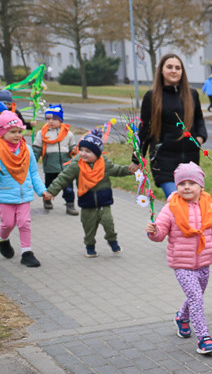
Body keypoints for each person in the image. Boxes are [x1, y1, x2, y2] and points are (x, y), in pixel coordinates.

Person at [146, 162, 212, 355]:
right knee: (196, 298)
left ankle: (182, 317)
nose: (187, 187)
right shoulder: (171, 208)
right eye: (182, 184)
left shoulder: (210, 208)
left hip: (204, 263)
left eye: (192, 183)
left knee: (195, 296)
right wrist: (154, 231)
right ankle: (203, 339)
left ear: (201, 186)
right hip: (181, 264)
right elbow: (160, 234)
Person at [42, 128, 139, 258]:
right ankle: (90, 246)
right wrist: (51, 191)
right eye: (81, 150)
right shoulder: (77, 165)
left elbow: (117, 170)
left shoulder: (104, 163)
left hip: (104, 201)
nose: (83, 154)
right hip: (87, 202)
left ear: (97, 153)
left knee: (108, 223)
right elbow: (63, 178)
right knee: (89, 227)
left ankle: (112, 241)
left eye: (88, 151)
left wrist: (129, 170)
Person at [139, 53, 208, 199]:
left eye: (178, 68)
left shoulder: (192, 94)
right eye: (169, 67)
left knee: (191, 204)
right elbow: (145, 129)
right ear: (161, 70)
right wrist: (138, 158)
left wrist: (200, 137)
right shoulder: (152, 96)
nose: (174, 71)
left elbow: (198, 119)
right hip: (164, 160)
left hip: (190, 160)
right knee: (176, 201)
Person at [0, 111, 46, 267]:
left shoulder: (27, 150)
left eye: (20, 131)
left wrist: (42, 190)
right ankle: (3, 240)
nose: (17, 135)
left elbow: (33, 173)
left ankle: (27, 253)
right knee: (7, 224)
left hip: (24, 194)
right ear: (2, 132)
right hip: (4, 195)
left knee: (24, 223)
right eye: (12, 132)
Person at [32, 104, 78, 215]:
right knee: (49, 186)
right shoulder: (42, 134)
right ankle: (47, 200)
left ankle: (70, 204)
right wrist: (31, 162)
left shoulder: (68, 134)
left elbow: (71, 147)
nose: (50, 121)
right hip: (50, 166)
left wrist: (74, 150)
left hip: (66, 167)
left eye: (54, 119)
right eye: (48, 119)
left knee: (68, 187)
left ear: (60, 120)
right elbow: (36, 150)